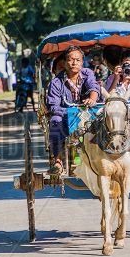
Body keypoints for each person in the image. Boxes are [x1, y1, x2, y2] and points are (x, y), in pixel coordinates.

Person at [46, 45, 100, 174]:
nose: (74, 63)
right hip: (65, 116)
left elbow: (94, 87)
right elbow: (53, 106)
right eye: (70, 59)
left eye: (78, 60)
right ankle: (58, 161)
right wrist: (71, 112)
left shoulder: (87, 74)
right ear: (65, 63)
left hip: (88, 112)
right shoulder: (56, 83)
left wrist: (92, 99)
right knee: (54, 121)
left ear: (82, 62)